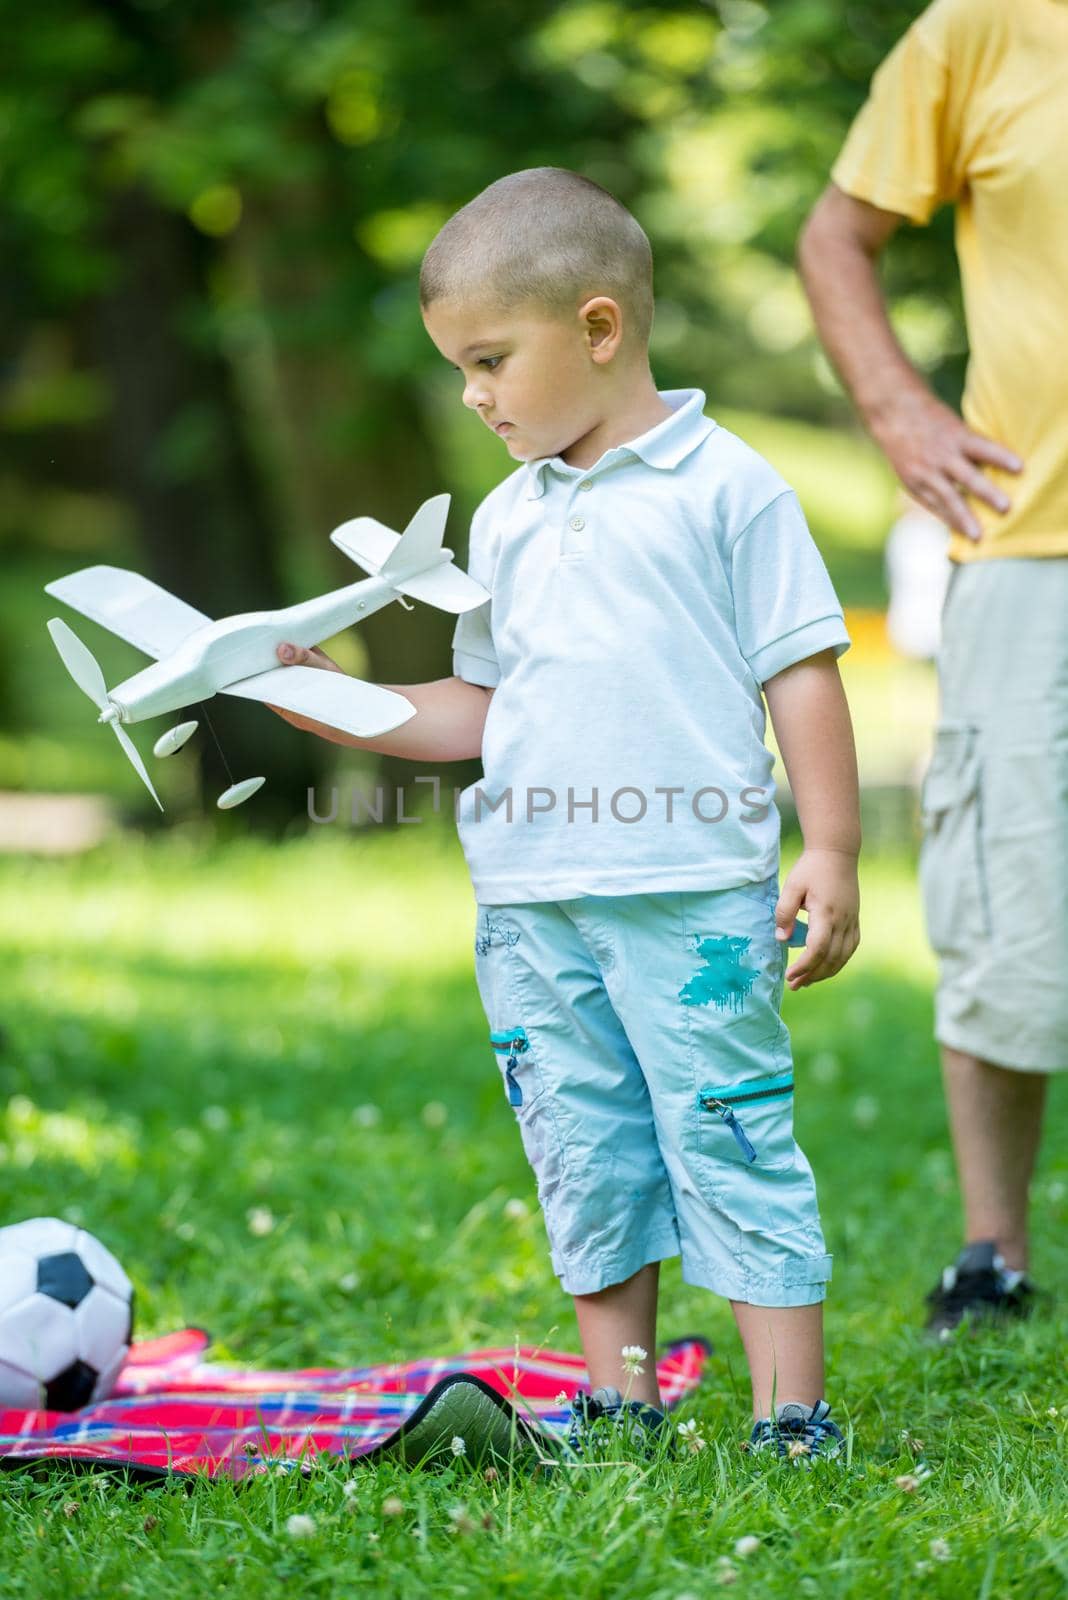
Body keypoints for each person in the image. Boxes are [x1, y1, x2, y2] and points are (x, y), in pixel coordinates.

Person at [270, 167, 861, 1458]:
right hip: (535, 902)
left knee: (729, 1134)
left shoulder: (727, 486)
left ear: (599, 328)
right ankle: (620, 1400)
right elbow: (482, 709)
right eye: (458, 369)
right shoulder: (508, 517)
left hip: (691, 889)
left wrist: (830, 847)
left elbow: (801, 669)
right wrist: (336, 707)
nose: (473, 395)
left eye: (490, 360)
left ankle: (790, 1416)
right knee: (585, 1152)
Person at [798, 0, 1068, 1336]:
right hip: (1036, 543)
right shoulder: (983, 26)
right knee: (1012, 901)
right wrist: (899, 408)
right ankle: (993, 1253)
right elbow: (835, 234)